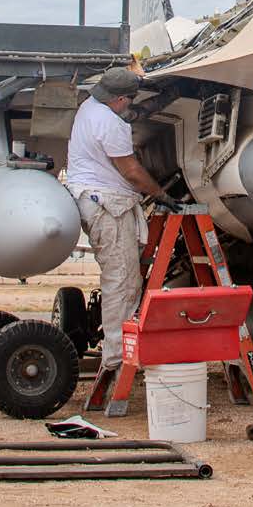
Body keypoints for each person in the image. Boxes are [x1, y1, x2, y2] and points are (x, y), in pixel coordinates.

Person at [63, 66, 173, 371]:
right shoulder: (110, 124)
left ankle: (118, 352)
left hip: (94, 200)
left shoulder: (89, 107)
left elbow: (126, 116)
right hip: (109, 206)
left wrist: (153, 105)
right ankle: (117, 361)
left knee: (120, 279)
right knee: (122, 282)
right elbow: (132, 172)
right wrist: (162, 195)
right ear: (122, 98)